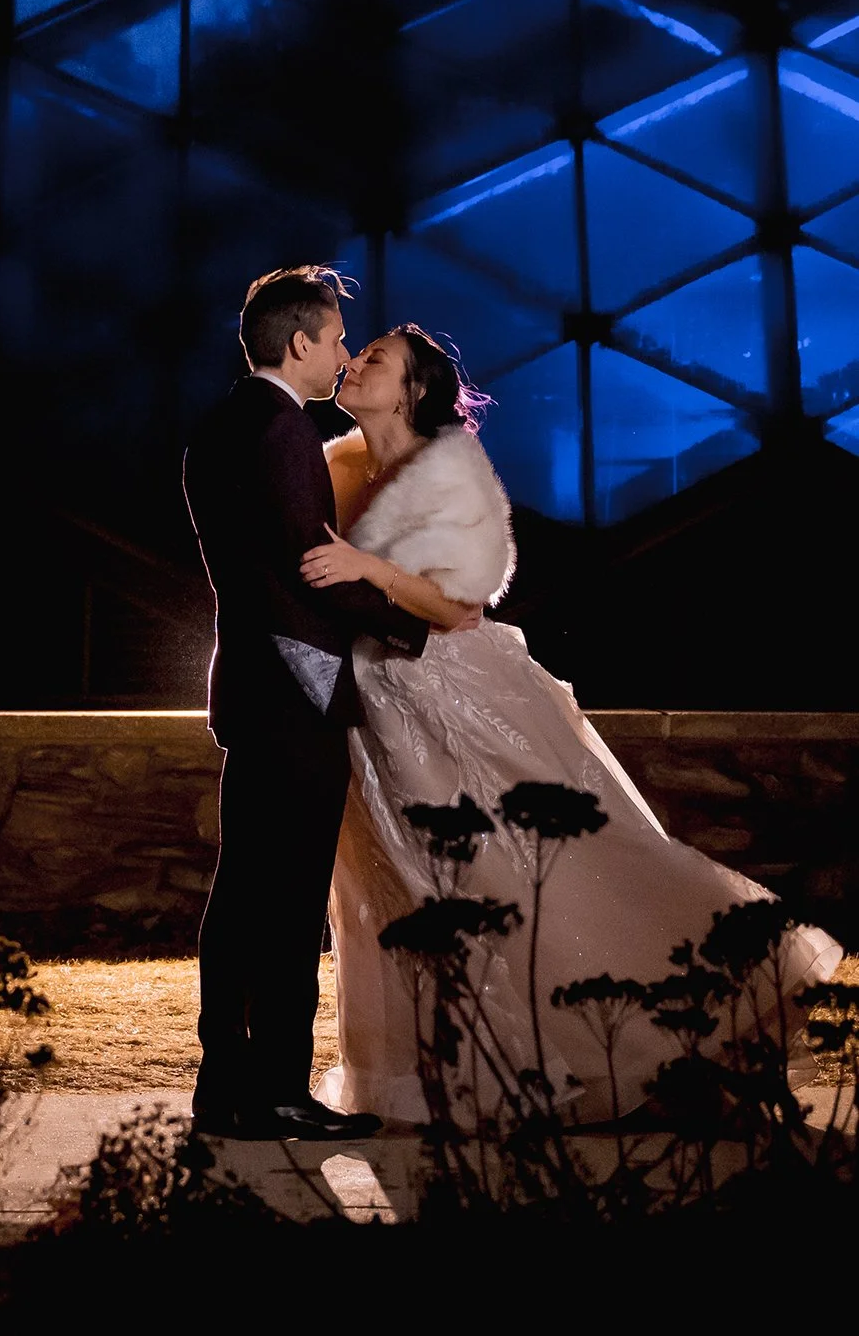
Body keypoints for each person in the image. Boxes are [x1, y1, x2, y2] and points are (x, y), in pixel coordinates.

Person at [300, 322, 843, 1123]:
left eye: (374, 357)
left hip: (461, 696)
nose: (355, 362)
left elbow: (460, 605)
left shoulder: (451, 470)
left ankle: (704, 1024)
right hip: (372, 707)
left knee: (539, 865)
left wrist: (369, 567)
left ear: (413, 389)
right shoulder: (333, 461)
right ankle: (437, 1077)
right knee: (398, 884)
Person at [181, 267, 433, 1141]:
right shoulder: (284, 430)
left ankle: (226, 1085)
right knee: (283, 901)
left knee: (243, 892)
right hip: (298, 690)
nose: (339, 355)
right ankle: (278, 1092)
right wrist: (414, 619)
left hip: (253, 684)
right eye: (332, 339)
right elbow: (310, 562)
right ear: (298, 344)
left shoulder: (218, 428)